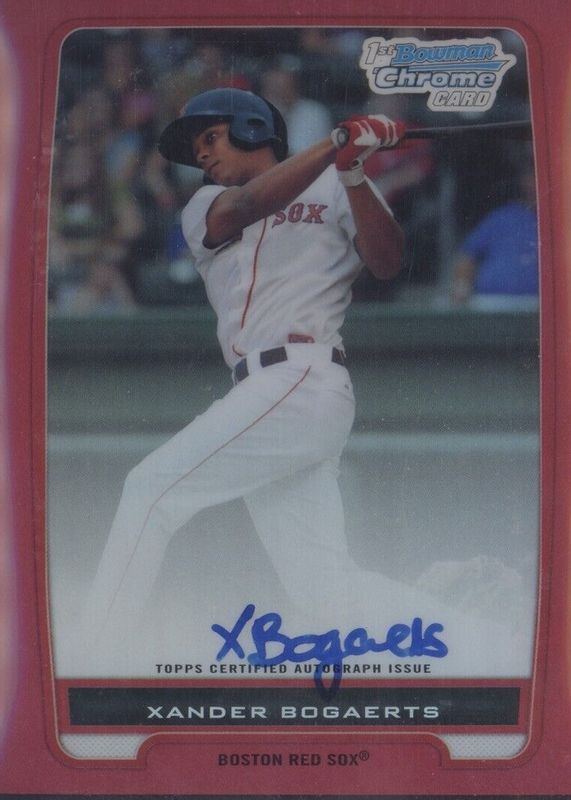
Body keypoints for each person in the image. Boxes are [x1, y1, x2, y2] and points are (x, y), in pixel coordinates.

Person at [79, 89, 530, 678]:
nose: (202, 155)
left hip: (301, 375)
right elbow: (247, 206)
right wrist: (334, 146)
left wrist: (353, 173)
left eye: (211, 138)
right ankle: (497, 647)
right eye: (196, 148)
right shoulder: (206, 203)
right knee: (326, 593)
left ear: (251, 128)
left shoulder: (336, 184)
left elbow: (387, 261)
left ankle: (90, 658)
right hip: (266, 390)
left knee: (149, 489)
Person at [450, 166, 538, 309]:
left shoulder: (559, 222)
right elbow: (467, 256)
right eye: (531, 177)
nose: (534, 183)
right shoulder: (502, 216)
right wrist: (461, 287)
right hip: (490, 304)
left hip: (538, 306)